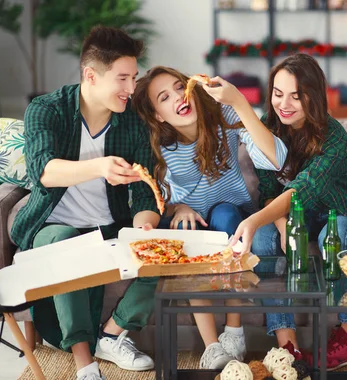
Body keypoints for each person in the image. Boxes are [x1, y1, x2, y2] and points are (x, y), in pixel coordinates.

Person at [10, 26, 160, 380]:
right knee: (68, 243)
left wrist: (144, 226)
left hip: (108, 227)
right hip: (51, 228)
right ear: (90, 75)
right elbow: (44, 171)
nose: (131, 89)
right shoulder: (46, 110)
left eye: (134, 78)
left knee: (159, 248)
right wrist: (100, 166)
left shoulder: (133, 124)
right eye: (122, 78)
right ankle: (85, 365)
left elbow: (142, 193)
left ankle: (112, 334)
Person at [131, 66, 287, 369]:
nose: (178, 97)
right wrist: (179, 209)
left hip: (229, 214)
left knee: (227, 214)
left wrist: (239, 102)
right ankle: (212, 346)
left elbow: (277, 158)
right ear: (159, 115)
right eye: (165, 97)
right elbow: (160, 198)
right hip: (190, 223)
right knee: (186, 232)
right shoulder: (160, 147)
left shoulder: (223, 117)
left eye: (180, 87)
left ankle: (234, 329)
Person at [228, 53, 347, 370]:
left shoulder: (335, 137)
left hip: (340, 211)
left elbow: (302, 189)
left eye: (297, 95)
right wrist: (279, 225)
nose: (285, 104)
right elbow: (269, 192)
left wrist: (253, 220)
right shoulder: (266, 129)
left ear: (314, 96)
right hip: (292, 214)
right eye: (278, 94)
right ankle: (287, 344)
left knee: (331, 240)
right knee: (264, 239)